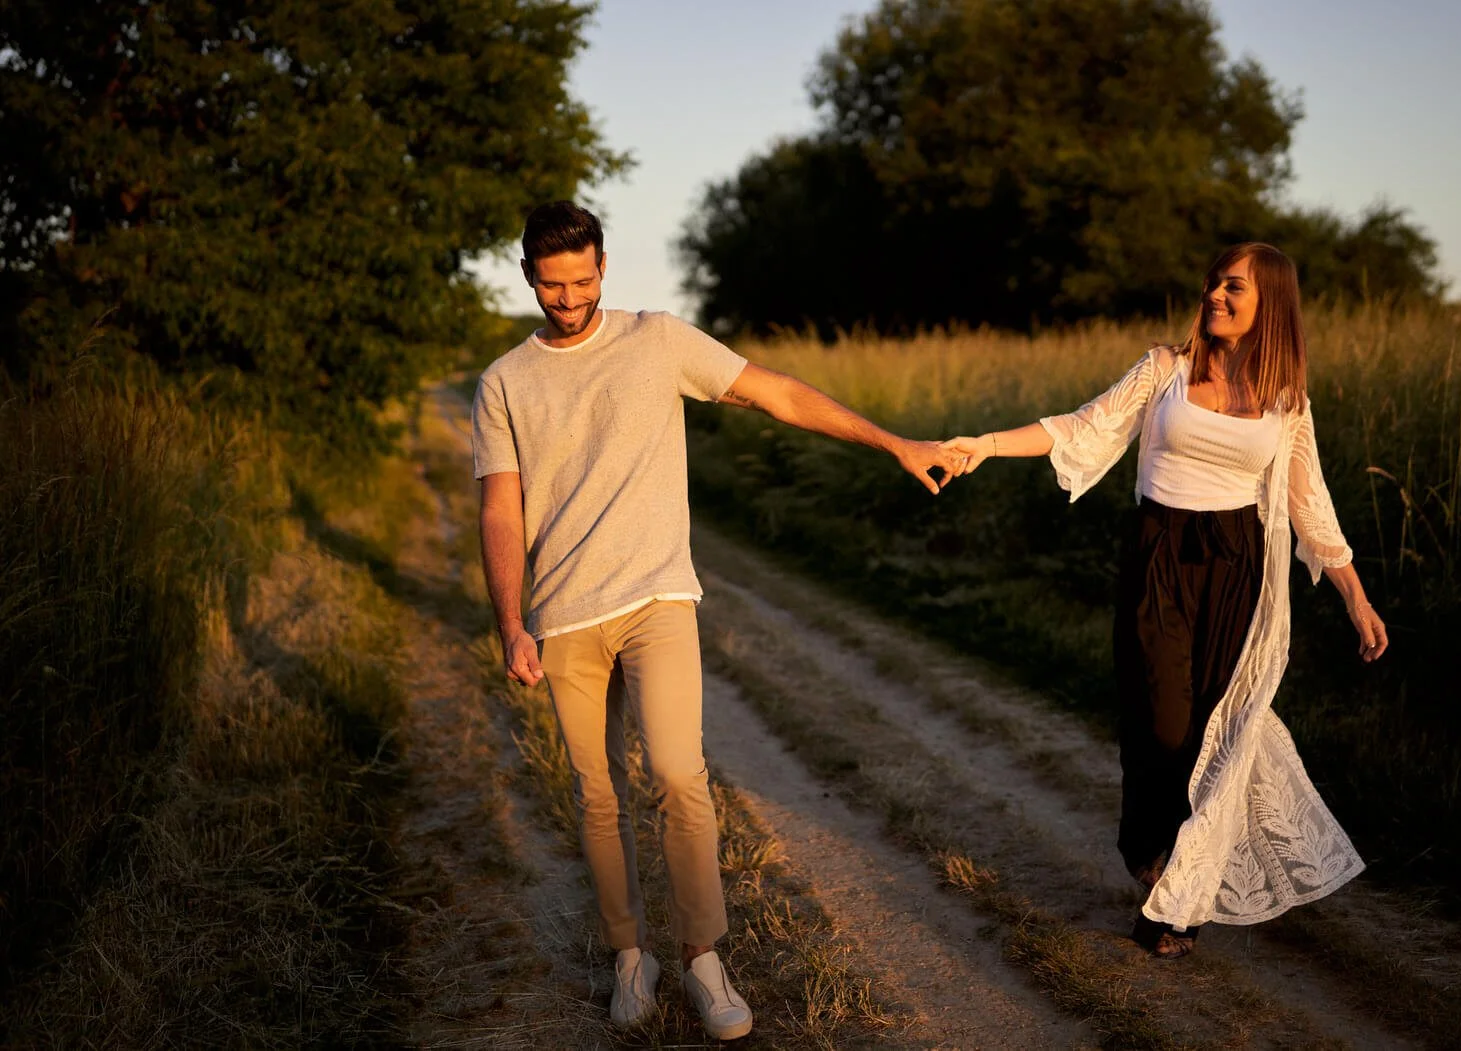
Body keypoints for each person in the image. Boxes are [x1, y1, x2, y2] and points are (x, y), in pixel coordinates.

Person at [472, 201, 960, 1038]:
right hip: (563, 614)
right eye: (552, 285)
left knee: (677, 772)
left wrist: (893, 443)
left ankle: (702, 956)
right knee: (596, 796)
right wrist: (511, 622)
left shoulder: (657, 339)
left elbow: (776, 394)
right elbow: (501, 510)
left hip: (658, 594)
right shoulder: (504, 382)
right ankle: (632, 957)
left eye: (583, 280)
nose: (568, 298)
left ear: (603, 267)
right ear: (526, 277)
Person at [943, 243, 1388, 959]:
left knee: (1217, 731)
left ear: (1268, 301)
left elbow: (1310, 503)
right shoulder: (1164, 371)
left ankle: (1175, 895)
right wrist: (985, 444)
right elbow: (1082, 426)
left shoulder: (1286, 400)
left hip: (1237, 568)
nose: (1215, 294)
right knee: (1163, 720)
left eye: (1233, 286)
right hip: (1159, 557)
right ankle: (1152, 853)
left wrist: (1356, 599)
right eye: (1213, 281)